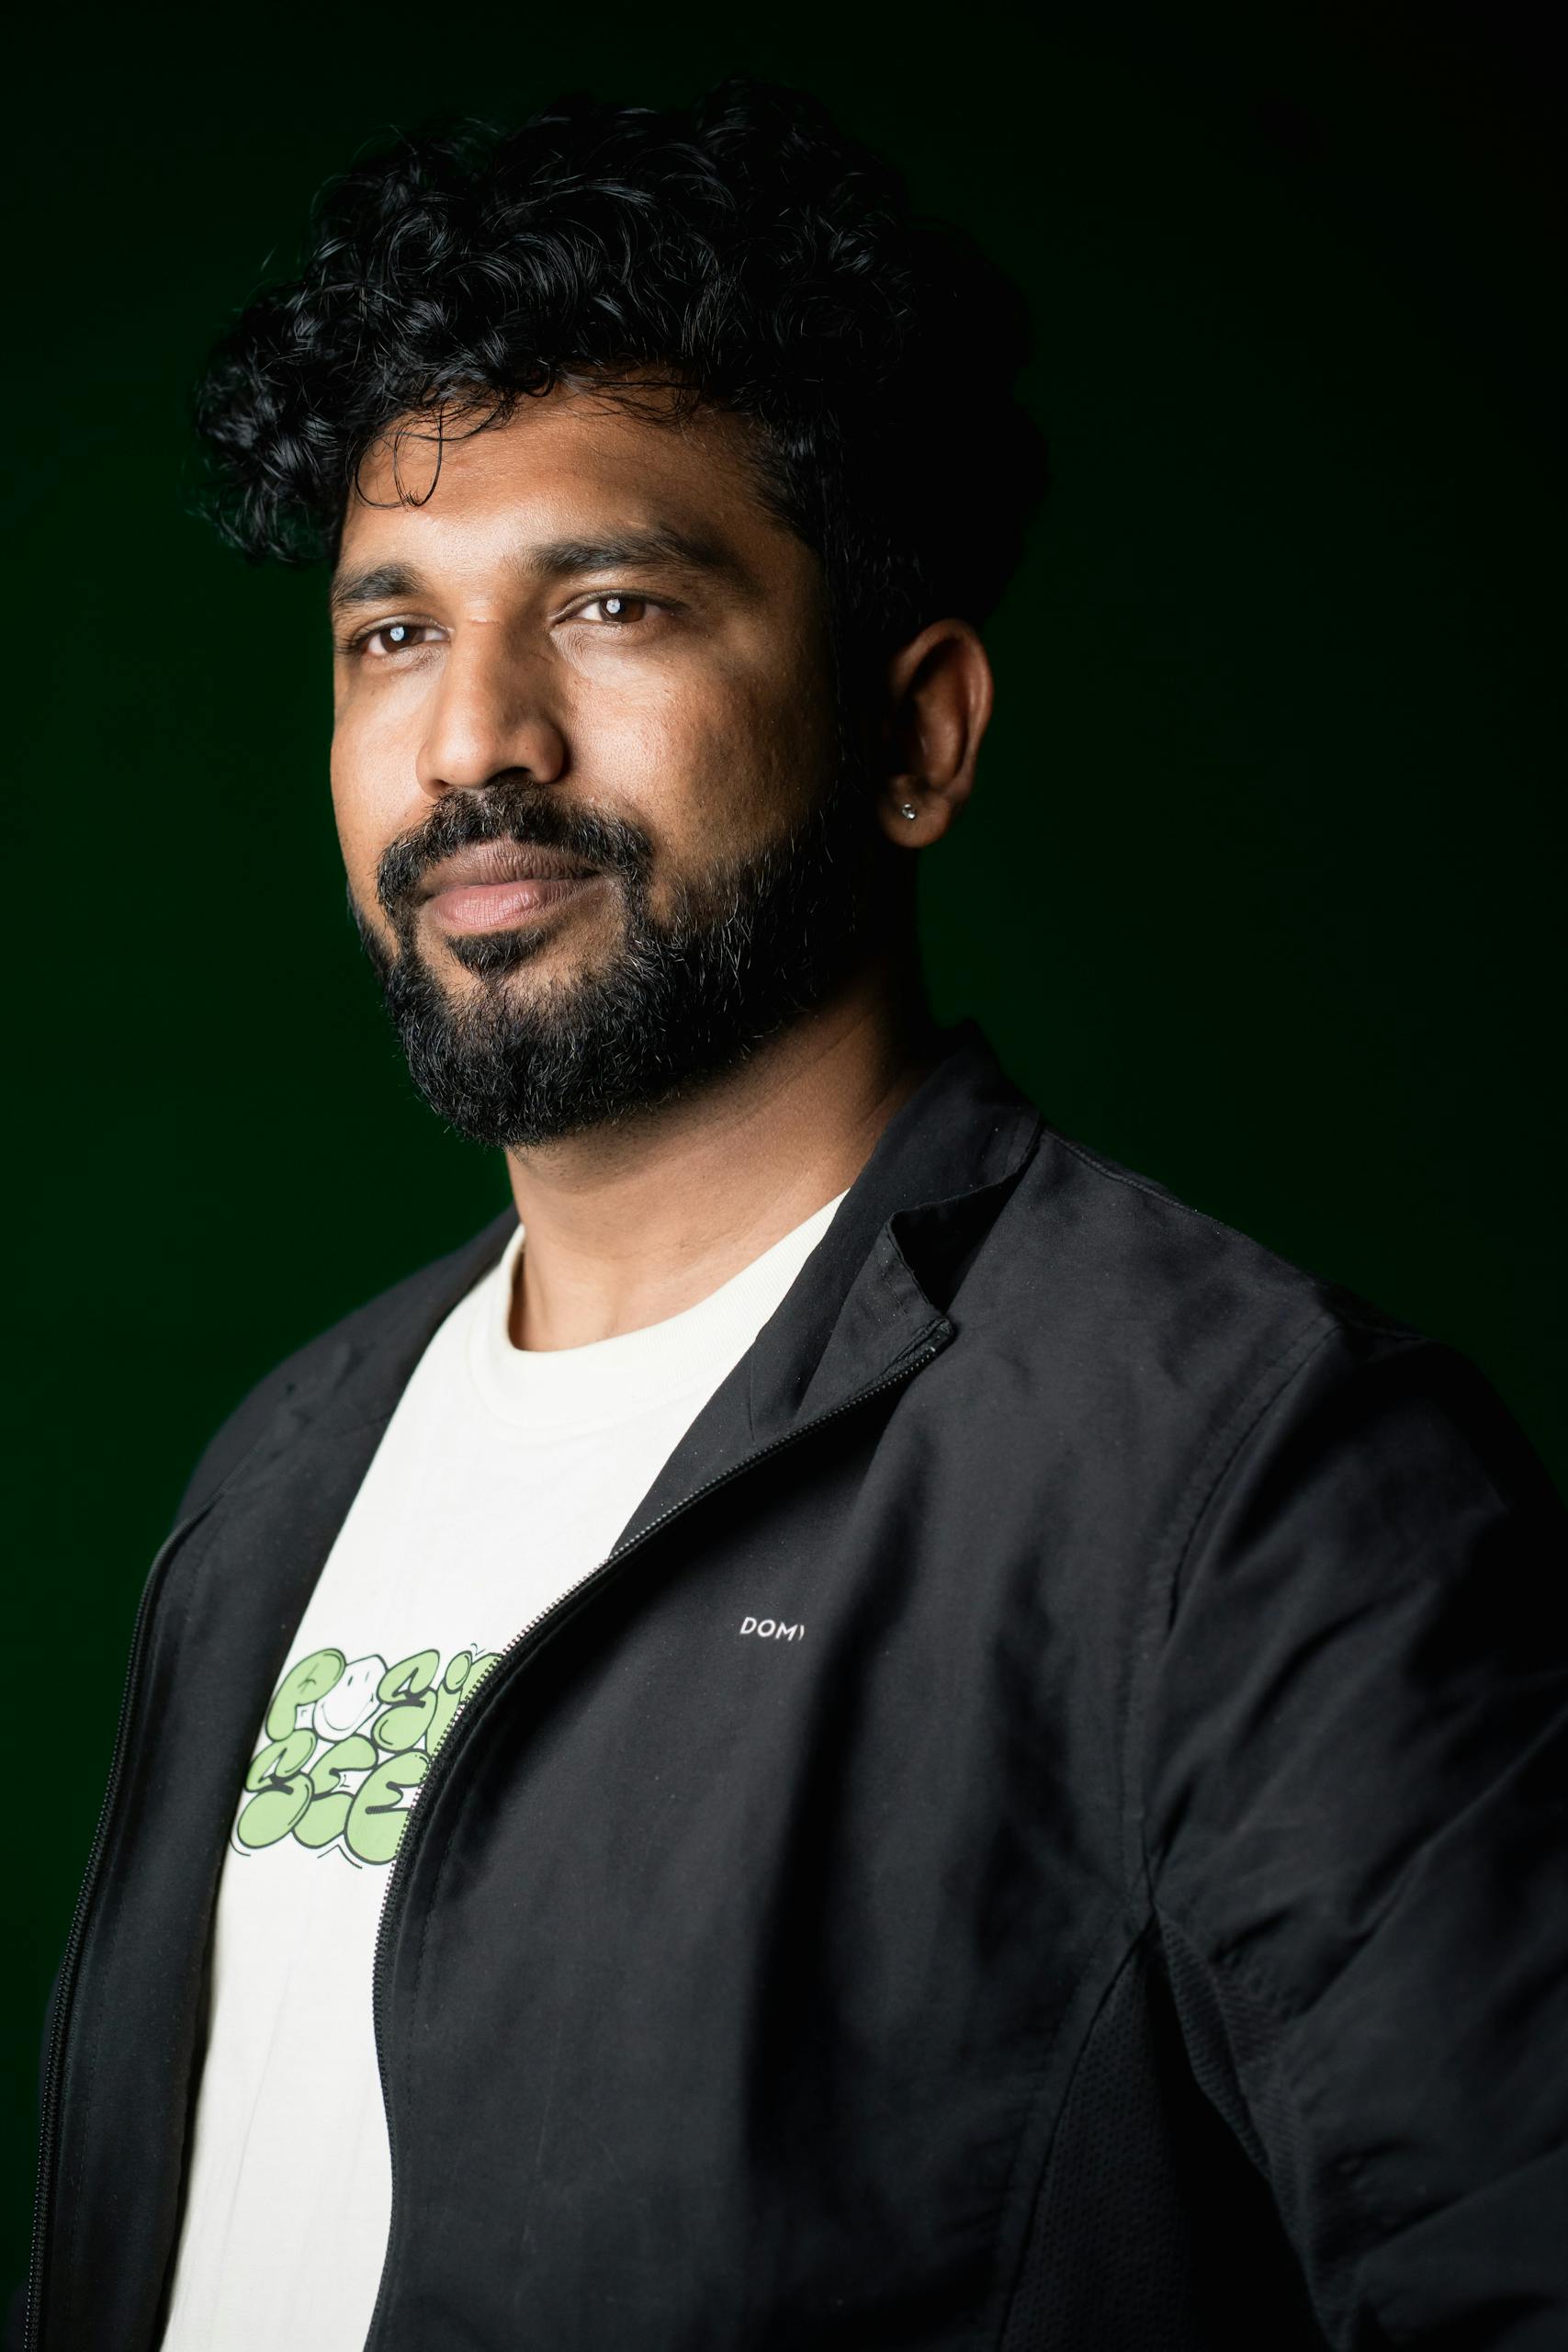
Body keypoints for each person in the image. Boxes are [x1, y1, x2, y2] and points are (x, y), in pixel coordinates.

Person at [22, 78, 1565, 2352]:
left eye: (615, 601)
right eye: (389, 635)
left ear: (914, 734)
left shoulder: (1255, 1490)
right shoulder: (281, 1472)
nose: (475, 741)